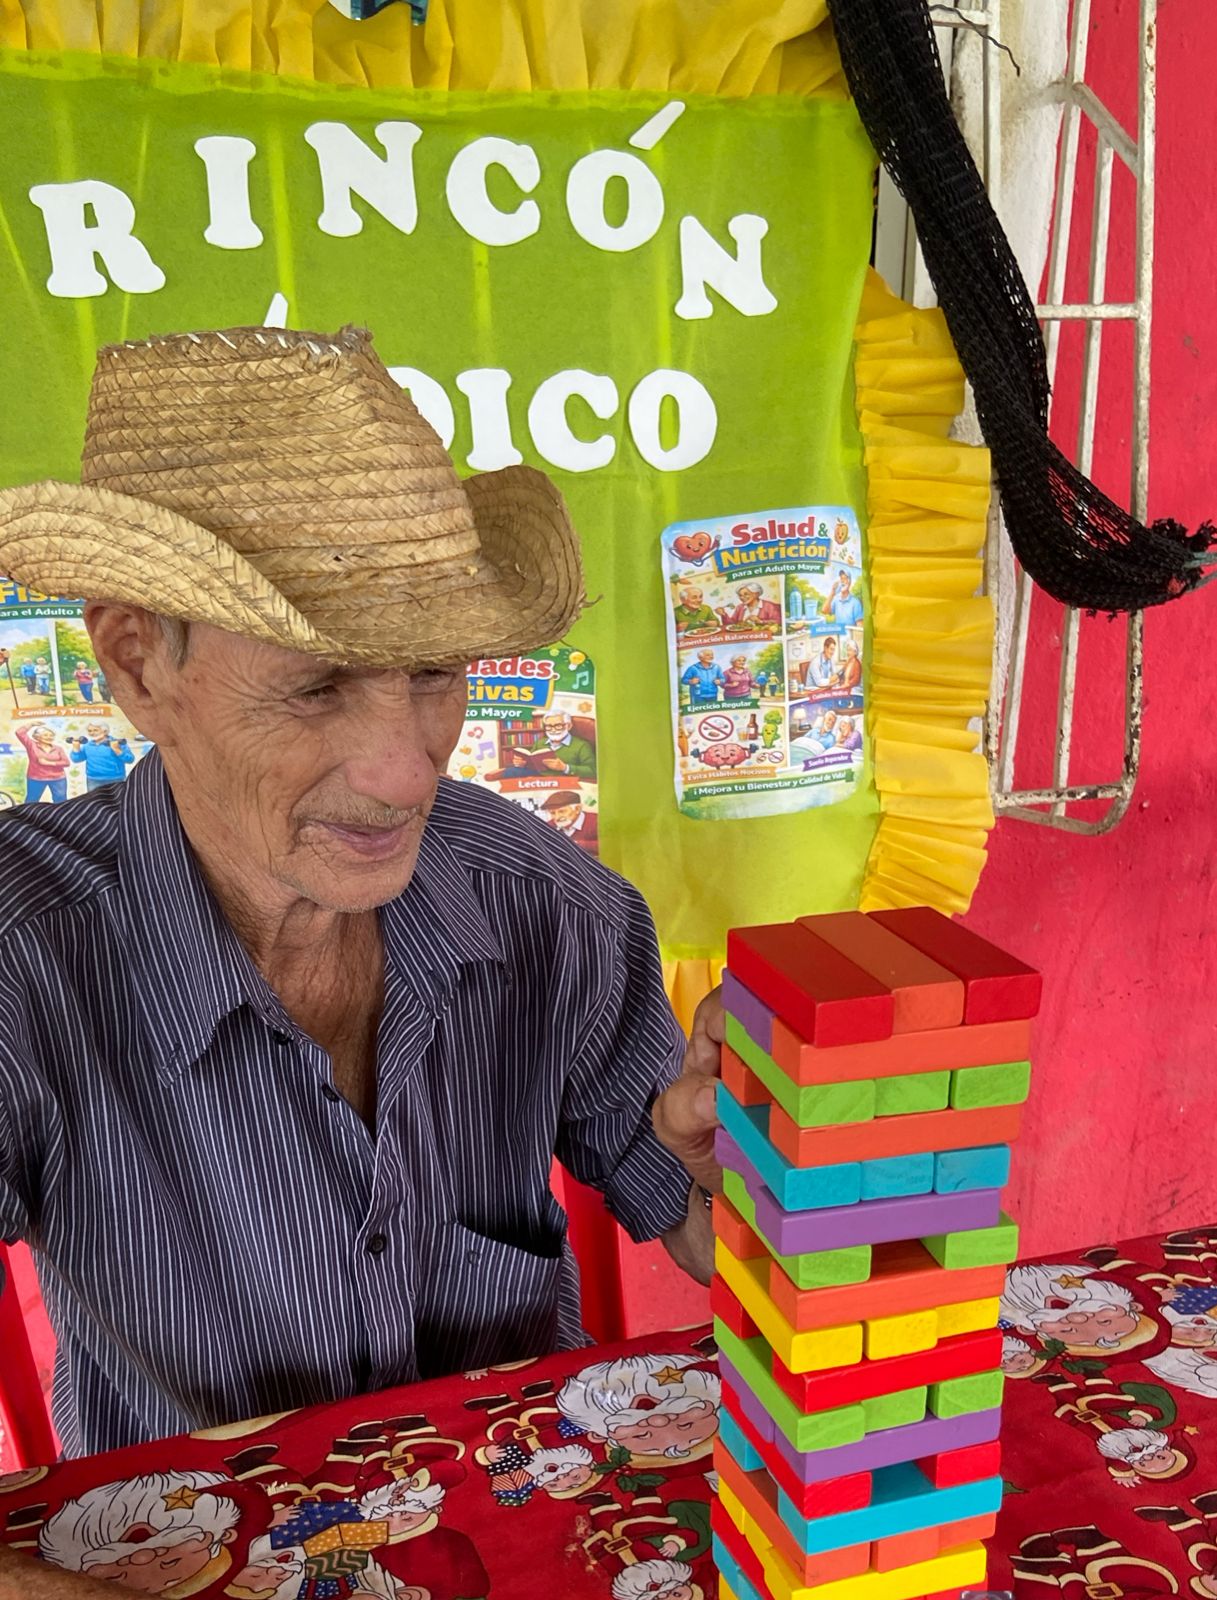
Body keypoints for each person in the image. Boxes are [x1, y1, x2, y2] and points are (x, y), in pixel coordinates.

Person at [0, 328, 722, 1600]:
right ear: (135, 662)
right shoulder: (26, 962)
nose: (406, 770)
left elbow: (720, 1233)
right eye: (319, 684)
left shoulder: (544, 905)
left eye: (434, 672)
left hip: (525, 1537)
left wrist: (779, 1174)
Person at [13, 719, 70, 804]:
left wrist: (49, 763)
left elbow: (66, 763)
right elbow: (19, 733)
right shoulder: (31, 745)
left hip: (58, 778)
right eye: (46, 735)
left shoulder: (58, 749)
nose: (49, 737)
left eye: (51, 735)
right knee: (32, 800)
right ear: (37, 737)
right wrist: (31, 724)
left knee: (61, 800)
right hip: (36, 778)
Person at [523, 710, 595, 778]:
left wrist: (565, 768)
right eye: (549, 726)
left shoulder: (582, 746)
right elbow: (531, 761)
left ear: (568, 726)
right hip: (540, 780)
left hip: (565, 781)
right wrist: (523, 763)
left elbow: (593, 771)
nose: (553, 730)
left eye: (558, 725)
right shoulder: (540, 743)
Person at [69, 726, 135, 791]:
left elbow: (130, 760)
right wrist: (76, 749)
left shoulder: (117, 743)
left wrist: (117, 750)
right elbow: (76, 759)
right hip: (93, 780)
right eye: (90, 731)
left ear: (105, 731)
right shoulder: (87, 745)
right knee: (94, 798)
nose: (92, 733)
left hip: (116, 779)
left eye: (95, 730)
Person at [716, 583, 781, 630]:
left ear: (756, 594)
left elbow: (779, 621)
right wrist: (723, 614)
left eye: (746, 594)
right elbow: (731, 625)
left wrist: (760, 621)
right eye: (740, 595)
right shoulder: (740, 607)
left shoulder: (769, 606)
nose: (742, 597)